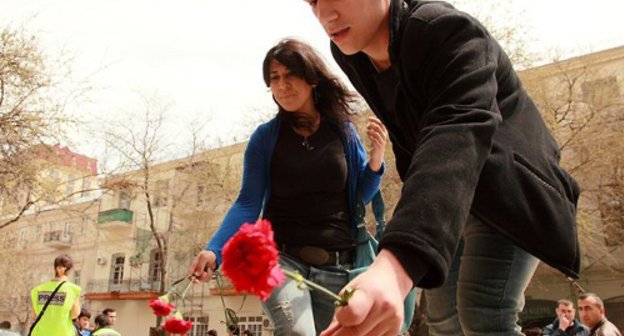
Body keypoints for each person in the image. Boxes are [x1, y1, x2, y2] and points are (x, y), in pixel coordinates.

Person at [303, 0, 582, 335]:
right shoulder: (350, 53)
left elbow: (457, 130)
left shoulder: (445, 29)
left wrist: (396, 265)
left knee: (484, 313)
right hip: (446, 205)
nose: (324, 15)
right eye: (311, 1)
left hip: (508, 194)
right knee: (443, 321)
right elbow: (411, 140)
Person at [189, 38, 387, 336]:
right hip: (281, 261)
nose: (282, 85)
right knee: (298, 333)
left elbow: (358, 198)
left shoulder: (343, 131)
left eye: (290, 75)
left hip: (338, 266)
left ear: (312, 79)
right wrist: (214, 249)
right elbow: (247, 202)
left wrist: (376, 161)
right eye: (274, 78)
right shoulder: (264, 138)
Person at [30, 254, 81, 336]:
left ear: (55, 268)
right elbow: (75, 314)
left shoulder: (37, 290)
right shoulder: (73, 290)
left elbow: (34, 314)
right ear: (67, 270)